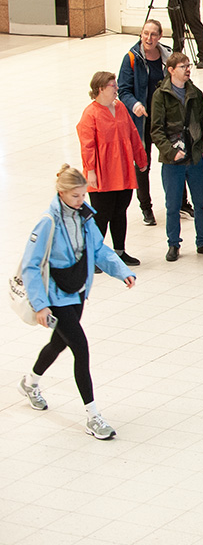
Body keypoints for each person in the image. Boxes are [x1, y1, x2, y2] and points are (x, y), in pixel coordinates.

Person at [17, 165, 137, 441]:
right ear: (61, 193)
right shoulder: (47, 222)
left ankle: (30, 382)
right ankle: (93, 415)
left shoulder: (85, 217)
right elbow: (31, 266)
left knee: (59, 343)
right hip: (55, 297)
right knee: (80, 349)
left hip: (78, 291)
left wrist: (122, 271)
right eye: (75, 196)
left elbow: (98, 249)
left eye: (83, 195)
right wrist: (40, 305)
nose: (81, 201)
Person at [149, 53, 203, 261]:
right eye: (183, 66)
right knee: (172, 205)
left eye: (188, 65)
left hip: (195, 156)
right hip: (172, 160)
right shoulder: (160, 96)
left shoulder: (196, 93)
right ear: (171, 70)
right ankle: (173, 243)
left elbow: (202, 121)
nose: (187, 69)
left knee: (201, 202)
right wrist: (171, 152)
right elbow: (156, 130)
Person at [119, 19, 190, 226]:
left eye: (153, 34)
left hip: (166, 119)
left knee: (175, 157)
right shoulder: (132, 58)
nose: (148, 38)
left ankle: (181, 202)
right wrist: (135, 105)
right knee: (143, 163)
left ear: (160, 36)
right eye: (145, 34)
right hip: (142, 121)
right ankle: (146, 207)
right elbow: (124, 89)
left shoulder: (167, 55)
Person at [77, 71, 148, 267]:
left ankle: (120, 251)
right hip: (103, 173)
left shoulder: (121, 108)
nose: (117, 89)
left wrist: (141, 159)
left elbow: (133, 134)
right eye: (113, 86)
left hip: (123, 170)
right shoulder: (90, 113)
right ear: (100, 89)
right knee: (101, 216)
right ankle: (94, 256)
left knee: (120, 211)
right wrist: (90, 170)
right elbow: (87, 145)